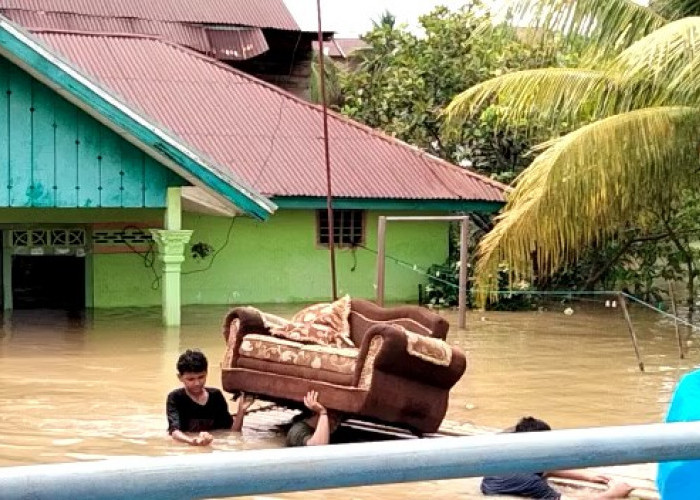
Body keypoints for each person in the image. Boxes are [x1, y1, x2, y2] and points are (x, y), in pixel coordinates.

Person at [481, 417, 634, 499]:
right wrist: (614, 493)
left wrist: (590, 476)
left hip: (495, 484)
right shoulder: (531, 481)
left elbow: (545, 469)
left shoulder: (510, 452)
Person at [166, 349, 250, 446]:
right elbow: (174, 432)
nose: (197, 383)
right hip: (189, 442)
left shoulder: (216, 396)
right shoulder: (175, 398)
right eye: (191, 379)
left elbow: (232, 432)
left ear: (206, 373)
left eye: (201, 377)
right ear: (180, 377)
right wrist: (193, 441)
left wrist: (241, 411)